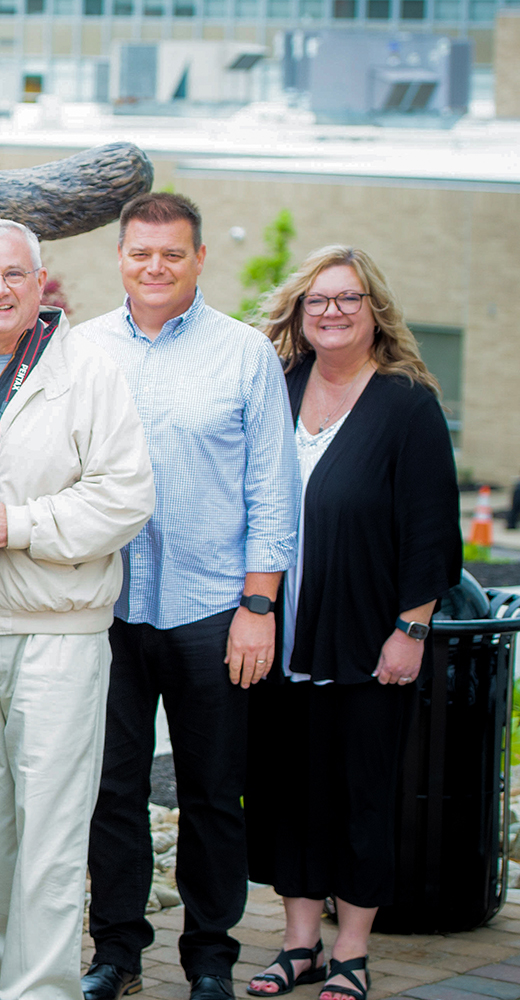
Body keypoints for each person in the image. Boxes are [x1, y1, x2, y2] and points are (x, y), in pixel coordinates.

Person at [77, 193, 299, 1000]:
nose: (155, 267)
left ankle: (210, 958)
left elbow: (274, 492)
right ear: (122, 257)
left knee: (212, 792)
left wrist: (259, 608)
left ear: (199, 258)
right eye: (141, 253)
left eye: (172, 254)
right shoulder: (84, 348)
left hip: (215, 610)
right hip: (107, 606)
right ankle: (118, 954)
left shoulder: (244, 354)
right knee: (112, 790)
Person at [0, 219, 154, 1000]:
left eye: (13, 276)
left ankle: (40, 991)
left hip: (58, 629)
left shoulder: (89, 371)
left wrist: (17, 525)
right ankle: (15, 975)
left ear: (39, 282)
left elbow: (127, 498)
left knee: (53, 833)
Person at [242, 246, 460, 1000]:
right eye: (317, 301)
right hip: (279, 635)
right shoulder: (279, 385)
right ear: (300, 314)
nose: (332, 312)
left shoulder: (406, 403)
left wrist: (412, 628)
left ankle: (353, 950)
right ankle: (299, 943)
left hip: (369, 637)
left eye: (349, 299)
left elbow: (432, 529)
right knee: (286, 791)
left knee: (361, 792)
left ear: (375, 311)